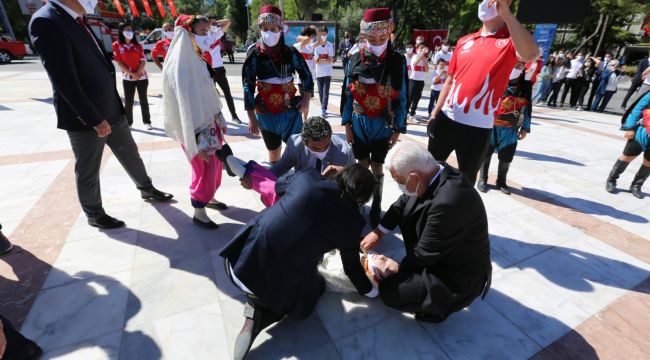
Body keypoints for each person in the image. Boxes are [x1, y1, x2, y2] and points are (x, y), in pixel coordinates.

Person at [29, 0, 173, 229]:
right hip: (86, 117)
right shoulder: (46, 21)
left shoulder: (77, 19)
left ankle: (146, 189)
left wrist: (117, 106)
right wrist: (93, 119)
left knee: (130, 153)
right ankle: (94, 213)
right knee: (88, 167)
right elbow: (63, 79)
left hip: (111, 108)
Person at [220, 164, 378, 360]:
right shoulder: (353, 223)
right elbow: (351, 267)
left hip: (237, 262)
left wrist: (319, 176)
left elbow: (278, 186)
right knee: (313, 291)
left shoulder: (308, 178)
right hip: (271, 285)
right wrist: (370, 291)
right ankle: (263, 313)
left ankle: (259, 306)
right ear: (362, 198)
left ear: (340, 175)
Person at [360, 141, 491, 323]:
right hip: (440, 253)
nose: (399, 186)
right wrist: (378, 232)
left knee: (390, 291)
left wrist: (396, 269)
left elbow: (424, 253)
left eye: (399, 181)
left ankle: (440, 308)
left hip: (457, 273)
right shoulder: (433, 171)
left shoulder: (449, 202)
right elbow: (401, 204)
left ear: (415, 176)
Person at [427, 0, 539, 186]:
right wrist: (435, 113)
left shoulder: (510, 41)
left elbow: (531, 54)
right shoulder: (465, 41)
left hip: (477, 129)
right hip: (447, 119)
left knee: (465, 184)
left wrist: (507, 15)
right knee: (429, 172)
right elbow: (450, 80)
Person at [161, 15, 231, 229]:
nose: (207, 36)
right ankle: (199, 209)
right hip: (194, 128)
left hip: (209, 123)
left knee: (216, 164)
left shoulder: (199, 58)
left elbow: (209, 92)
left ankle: (209, 197)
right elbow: (181, 105)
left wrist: (219, 117)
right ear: (187, 33)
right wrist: (191, 139)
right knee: (204, 168)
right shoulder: (179, 64)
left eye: (208, 32)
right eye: (203, 32)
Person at [341, 7, 408, 227]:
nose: (377, 39)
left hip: (383, 123)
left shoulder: (398, 61)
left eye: (382, 35)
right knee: (361, 165)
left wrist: (398, 128)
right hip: (359, 123)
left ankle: (377, 204)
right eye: (372, 35)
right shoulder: (353, 60)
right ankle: (360, 202)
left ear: (389, 31)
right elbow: (346, 94)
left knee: (378, 167)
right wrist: (346, 124)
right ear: (364, 34)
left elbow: (403, 97)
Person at [230, 116, 355, 207]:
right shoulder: (295, 143)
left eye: (326, 145)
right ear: (304, 141)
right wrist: (262, 178)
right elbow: (279, 168)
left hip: (332, 196)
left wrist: (343, 173)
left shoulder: (345, 151)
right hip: (304, 190)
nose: (322, 150)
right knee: (275, 188)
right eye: (316, 148)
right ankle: (250, 175)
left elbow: (356, 180)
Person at [243, 5, 313, 164]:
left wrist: (306, 100)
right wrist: (251, 117)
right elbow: (248, 85)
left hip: (290, 112)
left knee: (298, 151)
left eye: (274, 28)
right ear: (260, 29)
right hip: (266, 113)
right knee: (274, 153)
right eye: (265, 28)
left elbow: (306, 76)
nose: (269, 32)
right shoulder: (254, 54)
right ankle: (277, 183)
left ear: (281, 29)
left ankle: (299, 183)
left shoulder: (290, 53)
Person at [477, 62, 531, 194]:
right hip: (490, 124)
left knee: (507, 155)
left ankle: (501, 181)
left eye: (519, 66)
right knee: (486, 152)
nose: (516, 68)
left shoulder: (525, 86)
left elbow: (528, 108)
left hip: (510, 128)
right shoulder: (496, 78)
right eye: (514, 65)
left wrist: (525, 128)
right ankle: (482, 179)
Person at [194, 15, 242, 125]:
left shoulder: (216, 34)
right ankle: (217, 118)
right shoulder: (197, 36)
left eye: (214, 23)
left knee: (227, 93)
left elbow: (228, 21)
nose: (213, 25)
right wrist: (208, 23)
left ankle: (234, 116)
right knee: (212, 95)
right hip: (207, 69)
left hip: (219, 69)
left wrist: (214, 23)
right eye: (210, 23)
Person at [605, 90, 650, 199]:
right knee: (627, 157)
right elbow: (638, 109)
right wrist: (630, 127)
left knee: (648, 162)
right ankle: (611, 180)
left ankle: (636, 185)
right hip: (642, 133)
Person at [112, 23, 151, 129]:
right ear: (121, 31)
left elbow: (143, 61)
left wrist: (137, 73)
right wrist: (131, 74)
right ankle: (129, 123)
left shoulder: (138, 45)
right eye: (127, 29)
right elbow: (119, 62)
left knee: (144, 100)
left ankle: (147, 122)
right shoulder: (116, 45)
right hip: (127, 78)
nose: (129, 31)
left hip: (141, 77)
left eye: (131, 29)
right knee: (128, 101)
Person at [293, 25, 318, 107]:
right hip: (302, 79)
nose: (312, 38)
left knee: (307, 102)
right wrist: (305, 37)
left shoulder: (310, 47)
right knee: (303, 102)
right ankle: (303, 118)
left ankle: (305, 118)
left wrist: (317, 31)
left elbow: (320, 42)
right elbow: (304, 39)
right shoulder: (299, 45)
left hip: (310, 78)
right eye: (311, 36)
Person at [314, 26, 334, 117]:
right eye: (322, 34)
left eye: (325, 34)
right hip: (319, 72)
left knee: (326, 91)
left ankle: (323, 108)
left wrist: (320, 60)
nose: (323, 36)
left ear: (327, 34)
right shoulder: (316, 45)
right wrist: (324, 59)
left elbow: (331, 59)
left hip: (327, 72)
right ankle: (323, 106)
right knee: (321, 92)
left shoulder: (330, 45)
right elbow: (315, 60)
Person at [407, 43, 429, 120]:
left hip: (421, 81)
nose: (422, 50)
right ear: (417, 49)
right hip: (413, 80)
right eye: (421, 48)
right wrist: (421, 55)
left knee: (417, 98)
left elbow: (427, 70)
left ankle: (412, 113)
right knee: (410, 97)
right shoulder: (414, 56)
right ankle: (405, 112)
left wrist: (424, 60)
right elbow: (414, 63)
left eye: (423, 48)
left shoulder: (424, 59)